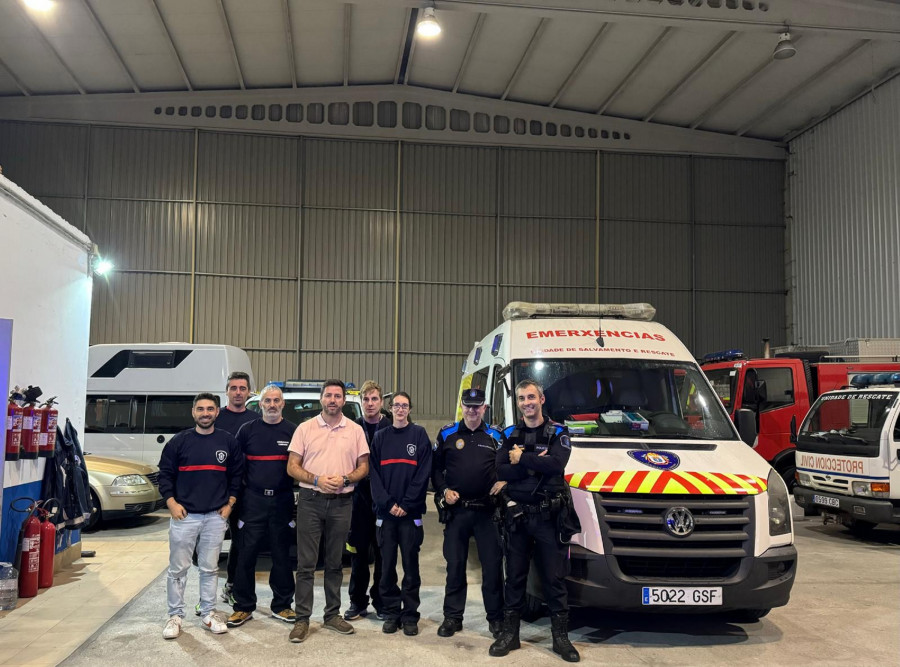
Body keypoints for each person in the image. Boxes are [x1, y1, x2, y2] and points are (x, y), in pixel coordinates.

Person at [489, 379, 580, 663]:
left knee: (554, 580)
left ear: (541, 399)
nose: (526, 402)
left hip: (548, 518)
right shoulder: (509, 433)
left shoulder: (558, 433)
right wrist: (534, 464)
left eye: (531, 397)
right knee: (514, 578)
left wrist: (522, 458)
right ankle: (510, 635)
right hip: (516, 518)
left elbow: (556, 465)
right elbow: (500, 469)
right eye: (521, 398)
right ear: (516, 403)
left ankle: (560, 639)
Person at [286, 379, 370, 643]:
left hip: (342, 502)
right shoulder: (305, 428)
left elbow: (364, 467)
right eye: (328, 395)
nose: (333, 400)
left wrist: (346, 479)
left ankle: (332, 614)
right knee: (306, 564)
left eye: (337, 396)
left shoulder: (355, 430)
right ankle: (302, 619)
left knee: (335, 562)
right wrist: (316, 480)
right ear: (321, 399)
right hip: (311, 501)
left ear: (344, 400)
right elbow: (292, 467)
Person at [158, 392, 243, 640]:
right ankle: (175, 616)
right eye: (200, 409)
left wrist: (230, 504)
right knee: (178, 569)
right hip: (185, 517)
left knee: (209, 568)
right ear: (193, 412)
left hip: (215, 517)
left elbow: (236, 475)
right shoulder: (178, 442)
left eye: (210, 409)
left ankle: (208, 613)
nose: (205, 413)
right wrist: (171, 503)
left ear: (217, 412)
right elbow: (164, 475)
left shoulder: (228, 442)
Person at [432, 387, 504, 639]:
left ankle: (495, 619)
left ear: (484, 407)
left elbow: (507, 466)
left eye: (477, 406)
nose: (473, 410)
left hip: (487, 512)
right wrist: (443, 491)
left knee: (492, 569)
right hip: (457, 512)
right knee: (455, 566)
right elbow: (435, 469)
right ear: (461, 406)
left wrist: (504, 483)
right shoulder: (447, 433)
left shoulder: (496, 435)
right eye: (468, 405)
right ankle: (453, 617)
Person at [226, 384, 297, 628]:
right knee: (246, 554)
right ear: (261, 404)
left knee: (282, 555)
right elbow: (235, 467)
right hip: (252, 501)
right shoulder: (247, 431)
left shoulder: (292, 431)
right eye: (267, 401)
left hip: (282, 501)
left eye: (277, 401)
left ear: (283, 404)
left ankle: (283, 605)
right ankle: (243, 607)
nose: (272, 405)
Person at [369, 392, 432, 637]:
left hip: (410, 514)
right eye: (397, 405)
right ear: (390, 408)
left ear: (409, 409)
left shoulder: (419, 435)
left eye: (405, 405)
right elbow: (373, 474)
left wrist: (406, 503)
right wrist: (387, 503)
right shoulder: (380, 438)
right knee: (386, 568)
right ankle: (392, 612)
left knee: (411, 566)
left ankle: (410, 615)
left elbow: (423, 473)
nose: (401, 409)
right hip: (386, 515)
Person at [344, 380, 391, 621]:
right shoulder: (352, 429)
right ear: (360, 402)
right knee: (358, 553)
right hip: (359, 500)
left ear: (381, 402)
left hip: (385, 501)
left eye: (374, 399)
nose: (370, 404)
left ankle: (382, 601)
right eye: (365, 399)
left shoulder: (394, 427)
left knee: (384, 553)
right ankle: (357, 601)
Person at [212, 371, 259, 607]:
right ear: (227, 391)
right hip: (216, 492)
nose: (238, 392)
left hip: (244, 493)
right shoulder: (215, 418)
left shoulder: (255, 419)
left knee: (241, 543)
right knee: (211, 542)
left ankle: (232, 586)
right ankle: (206, 594)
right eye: (233, 388)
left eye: (242, 388)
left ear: (249, 392)